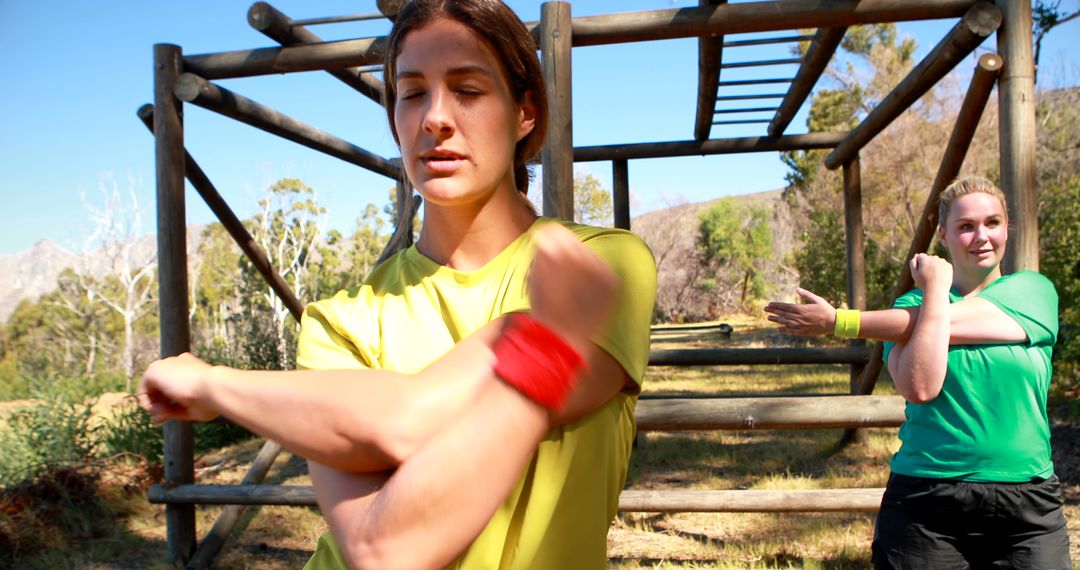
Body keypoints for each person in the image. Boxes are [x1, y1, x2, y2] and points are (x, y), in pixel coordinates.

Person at [138, 0, 658, 568]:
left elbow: (402, 419)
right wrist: (545, 351)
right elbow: (382, 547)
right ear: (395, 121)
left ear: (525, 112)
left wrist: (214, 386)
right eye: (412, 93)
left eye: (469, 89)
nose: (435, 116)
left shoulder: (604, 263)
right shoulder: (341, 322)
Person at [764, 176, 1070, 569]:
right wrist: (932, 295)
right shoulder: (909, 304)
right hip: (927, 502)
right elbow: (920, 386)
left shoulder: (1033, 291)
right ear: (943, 234)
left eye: (992, 223)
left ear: (1007, 227)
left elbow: (946, 322)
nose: (981, 236)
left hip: (1028, 507)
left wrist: (842, 321)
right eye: (965, 226)